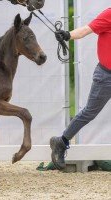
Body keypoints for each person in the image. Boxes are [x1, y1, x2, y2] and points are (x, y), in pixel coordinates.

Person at [50, 8, 111, 170]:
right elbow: (85, 30)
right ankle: (61, 141)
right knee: (90, 112)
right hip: (106, 76)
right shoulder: (109, 15)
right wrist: (67, 35)